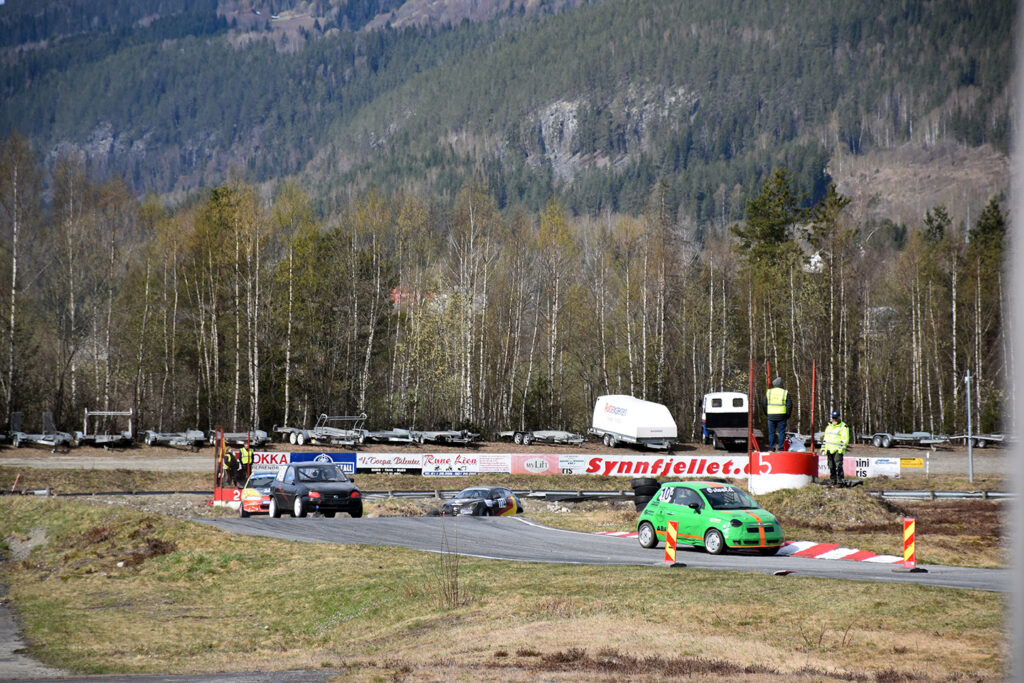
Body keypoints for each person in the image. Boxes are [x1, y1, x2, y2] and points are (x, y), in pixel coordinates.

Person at [763, 376, 792, 451]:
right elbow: (789, 405)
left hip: (771, 416)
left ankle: (771, 448)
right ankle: (780, 448)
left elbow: (764, 404)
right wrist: (787, 415)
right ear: (781, 384)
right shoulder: (785, 392)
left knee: (771, 433)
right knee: (781, 433)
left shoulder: (769, 392)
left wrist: (767, 414)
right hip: (782, 416)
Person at [823, 410, 851, 485]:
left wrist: (841, 449)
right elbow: (825, 438)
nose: (834, 419)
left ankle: (840, 480)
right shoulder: (829, 426)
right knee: (831, 466)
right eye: (833, 418)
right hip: (829, 449)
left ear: (839, 418)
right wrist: (824, 448)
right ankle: (833, 480)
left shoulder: (843, 426)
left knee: (838, 465)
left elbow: (845, 439)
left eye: (836, 418)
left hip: (837, 450)